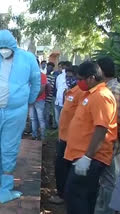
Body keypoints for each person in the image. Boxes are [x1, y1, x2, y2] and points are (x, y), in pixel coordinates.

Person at [0, 30, 40, 203]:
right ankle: (0, 167)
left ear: (13, 45)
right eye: (1, 47)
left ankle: (6, 189)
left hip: (16, 111)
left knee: (9, 147)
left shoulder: (27, 58)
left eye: (7, 47)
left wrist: (29, 100)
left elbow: (35, 82)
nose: (4, 50)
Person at [64, 61, 117, 214]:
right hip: (83, 155)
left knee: (75, 195)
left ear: (91, 78)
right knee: (84, 197)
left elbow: (101, 128)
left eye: (80, 79)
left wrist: (87, 158)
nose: (78, 82)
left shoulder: (101, 96)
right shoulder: (91, 94)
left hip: (91, 158)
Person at [49, 65, 84, 204]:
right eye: (67, 77)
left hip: (73, 139)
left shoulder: (81, 93)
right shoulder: (69, 92)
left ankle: (64, 195)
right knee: (60, 167)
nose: (69, 79)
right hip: (63, 137)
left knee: (64, 168)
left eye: (72, 77)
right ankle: (64, 193)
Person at [94, 57, 120, 214]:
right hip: (106, 144)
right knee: (106, 181)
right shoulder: (108, 88)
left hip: (110, 144)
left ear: (102, 70)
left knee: (108, 181)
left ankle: (106, 210)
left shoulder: (113, 91)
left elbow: (114, 121)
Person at [29, 71, 47, 141]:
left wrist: (33, 98)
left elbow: (42, 88)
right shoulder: (29, 75)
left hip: (39, 100)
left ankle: (43, 137)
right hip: (31, 100)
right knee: (33, 119)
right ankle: (34, 135)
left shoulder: (42, 75)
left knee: (41, 119)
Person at [54, 61, 71, 126]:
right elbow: (57, 87)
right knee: (59, 121)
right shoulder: (59, 76)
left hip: (65, 102)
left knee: (63, 122)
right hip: (58, 101)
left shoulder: (71, 77)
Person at [44, 62, 57, 129]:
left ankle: (47, 128)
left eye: (51, 68)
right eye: (49, 67)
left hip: (48, 98)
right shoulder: (43, 76)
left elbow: (51, 87)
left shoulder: (52, 77)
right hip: (41, 98)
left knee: (47, 114)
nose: (49, 68)